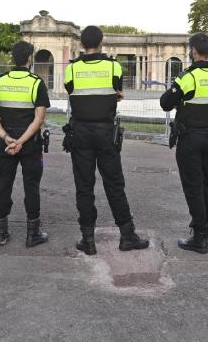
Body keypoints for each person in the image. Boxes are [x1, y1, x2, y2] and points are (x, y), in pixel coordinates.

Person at [63, 25, 149, 255]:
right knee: (114, 184)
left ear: (81, 44)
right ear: (102, 43)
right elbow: (116, 91)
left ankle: (88, 239)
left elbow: (72, 91)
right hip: (105, 132)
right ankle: (127, 235)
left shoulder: (71, 69)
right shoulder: (113, 66)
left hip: (80, 131)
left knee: (84, 186)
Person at [160, 33, 208, 254]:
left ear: (193, 52)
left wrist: (177, 93)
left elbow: (165, 103)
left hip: (190, 139)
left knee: (193, 187)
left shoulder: (188, 76)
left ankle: (199, 237)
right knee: (207, 183)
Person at [0, 41, 50, 248]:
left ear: (13, 58)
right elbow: (39, 118)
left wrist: (6, 138)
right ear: (30, 59)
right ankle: (33, 234)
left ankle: (1, 234)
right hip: (29, 143)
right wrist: (21, 141)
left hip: (6, 142)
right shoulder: (36, 83)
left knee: (3, 185)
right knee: (32, 186)